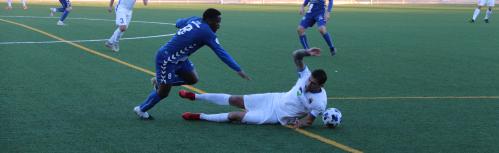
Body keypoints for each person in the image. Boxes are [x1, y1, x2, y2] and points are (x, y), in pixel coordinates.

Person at [133, 8, 251, 120]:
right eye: (217, 22)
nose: (219, 25)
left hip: (181, 59)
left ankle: (161, 81)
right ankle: (141, 109)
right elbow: (222, 53)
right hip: (167, 59)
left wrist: (183, 26)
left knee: (192, 79)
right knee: (163, 92)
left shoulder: (195, 19)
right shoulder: (207, 33)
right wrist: (238, 69)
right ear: (209, 21)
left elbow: (178, 22)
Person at [180, 48, 328, 128]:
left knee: (234, 116)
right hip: (273, 98)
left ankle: (199, 116)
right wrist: (306, 52)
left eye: (313, 83)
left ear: (320, 86)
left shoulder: (319, 103)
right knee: (234, 99)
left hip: (275, 116)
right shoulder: (305, 76)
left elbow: (308, 121)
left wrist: (299, 123)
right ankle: (194, 96)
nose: (308, 84)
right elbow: (296, 56)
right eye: (309, 80)